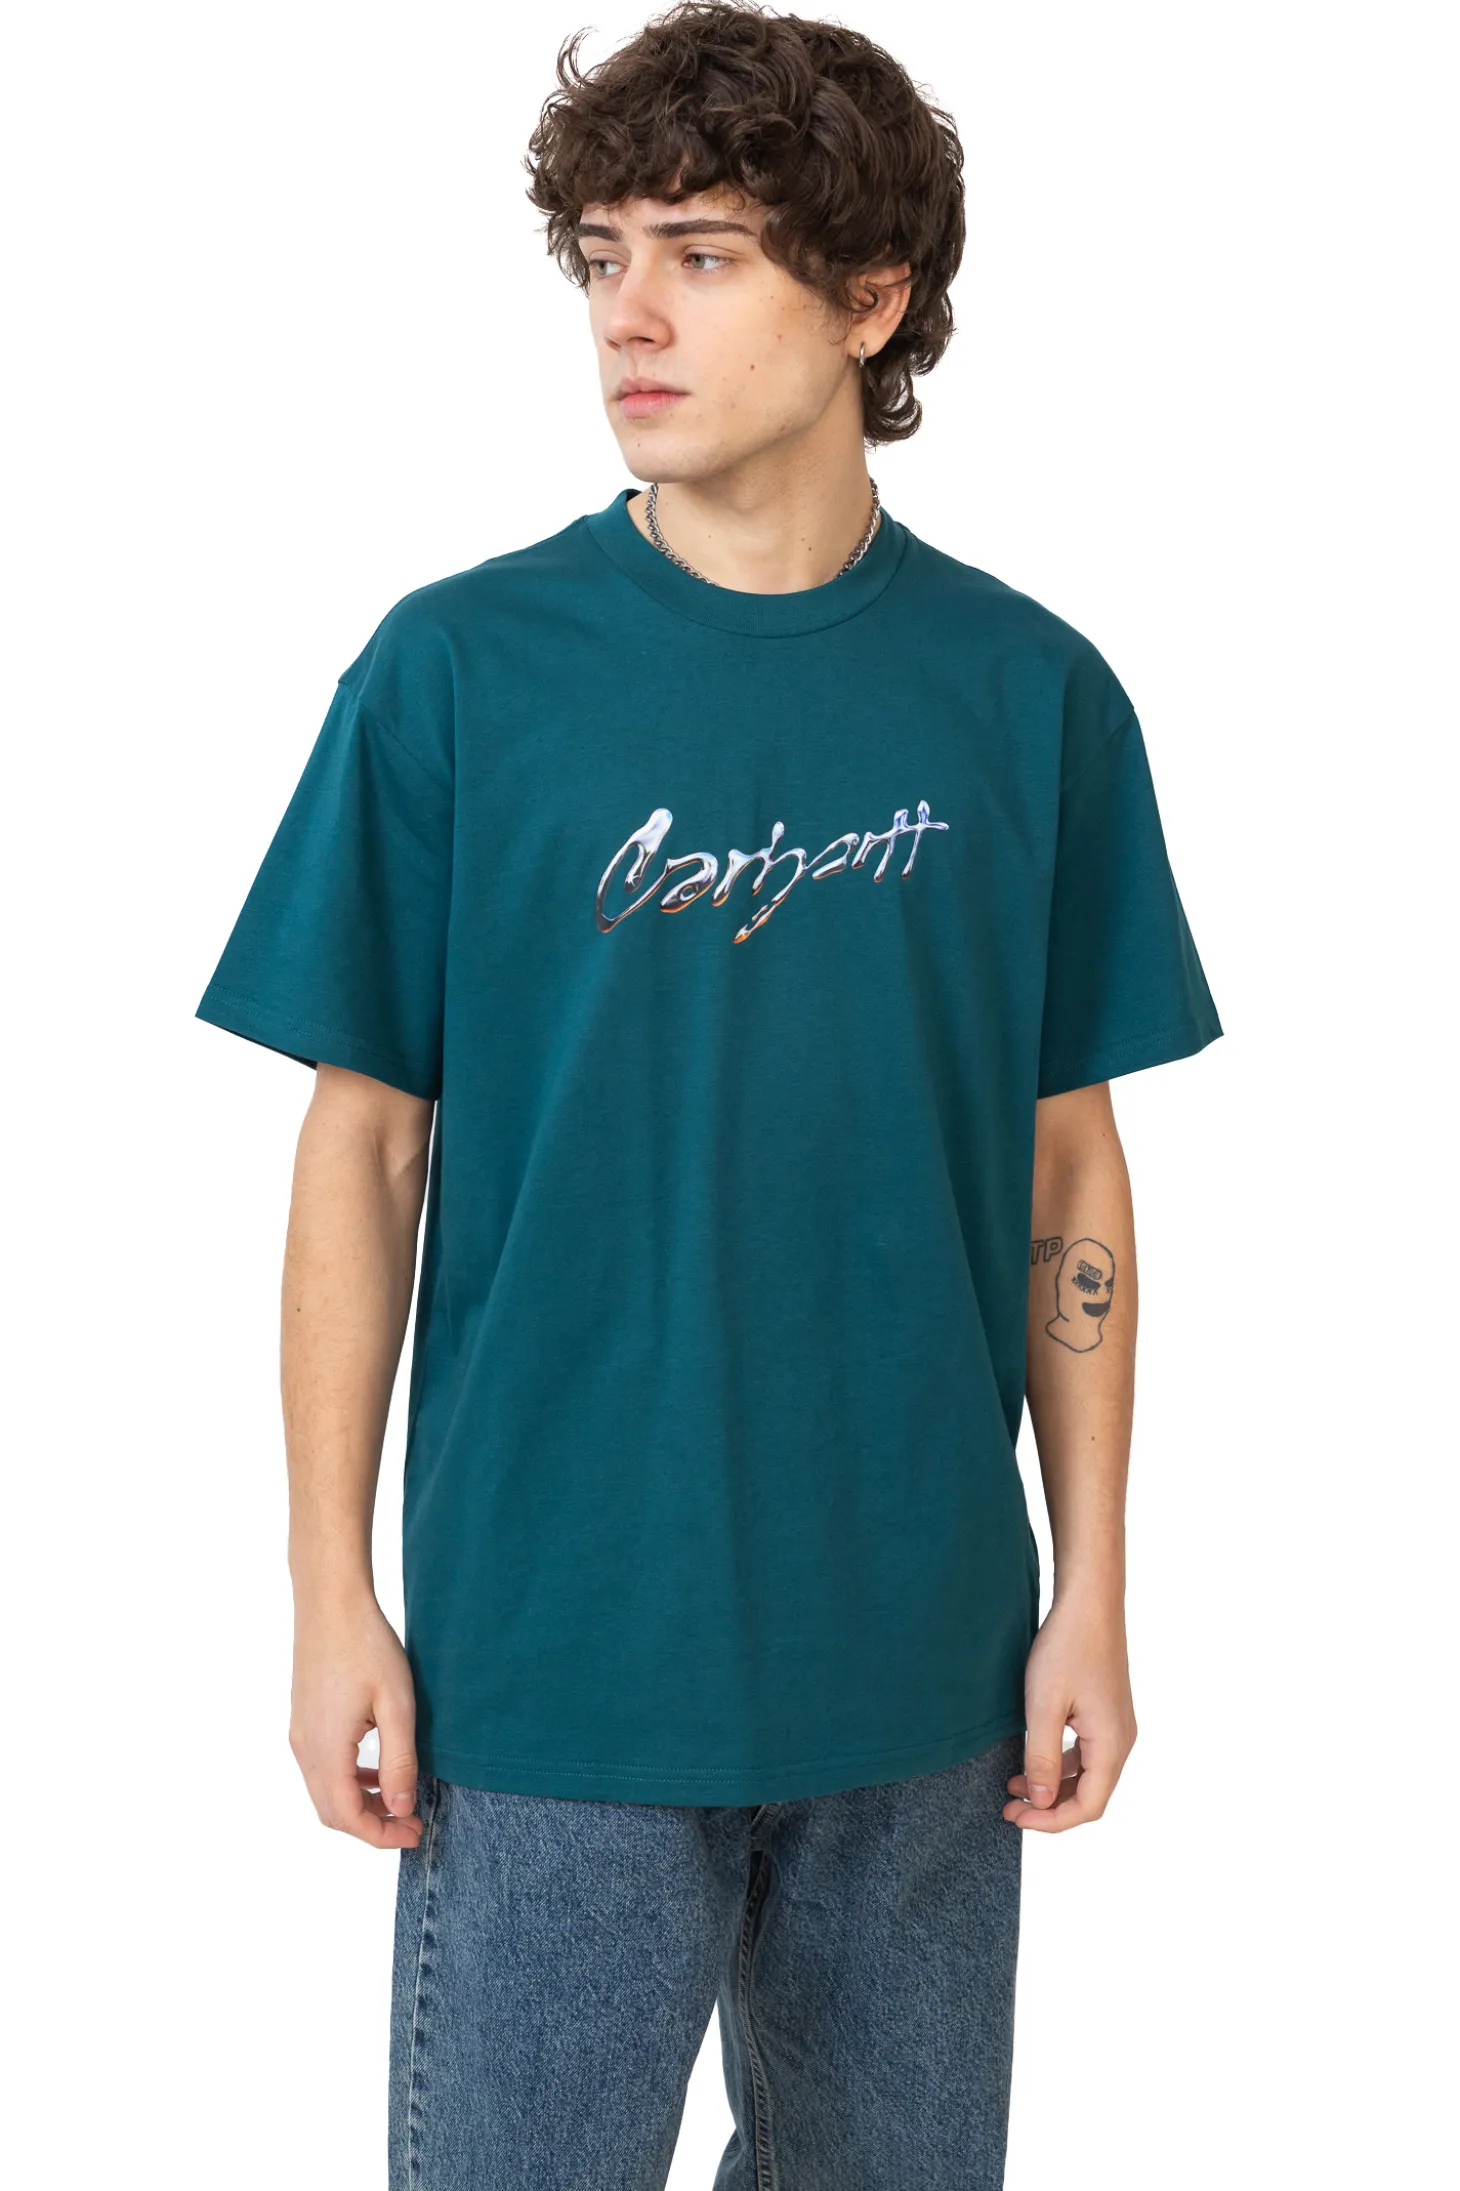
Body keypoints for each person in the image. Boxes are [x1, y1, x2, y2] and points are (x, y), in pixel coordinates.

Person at [196, 5, 1223, 2184]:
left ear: (871, 300)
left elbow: (1070, 1166)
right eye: (600, 257)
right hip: (552, 1672)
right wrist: (327, 1589)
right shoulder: (458, 673)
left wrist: (1094, 1584)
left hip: (925, 1682)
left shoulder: (1031, 697)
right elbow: (362, 1146)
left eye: (701, 255)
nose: (626, 317)